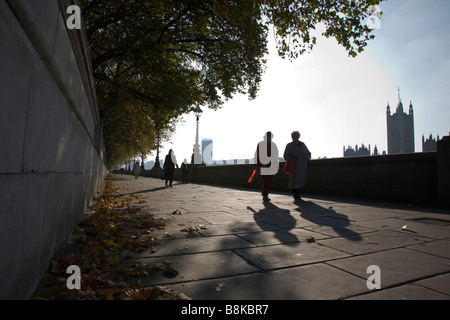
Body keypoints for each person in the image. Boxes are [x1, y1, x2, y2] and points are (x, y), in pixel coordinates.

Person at [283, 131, 311, 201]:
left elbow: (308, 153)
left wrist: (307, 159)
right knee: (294, 180)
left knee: (301, 180)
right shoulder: (289, 145)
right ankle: (296, 194)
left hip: (302, 165)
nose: (294, 137)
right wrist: (292, 159)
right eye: (293, 136)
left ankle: (298, 193)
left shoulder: (303, 144)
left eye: (296, 136)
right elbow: (285, 155)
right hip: (294, 166)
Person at [254, 131, 279, 202]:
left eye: (270, 137)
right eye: (268, 137)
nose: (269, 138)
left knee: (269, 180)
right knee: (266, 180)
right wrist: (256, 164)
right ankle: (265, 195)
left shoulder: (273, 145)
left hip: (271, 165)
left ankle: (265, 194)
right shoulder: (261, 144)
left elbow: (276, 155)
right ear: (266, 137)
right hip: (263, 165)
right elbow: (257, 154)